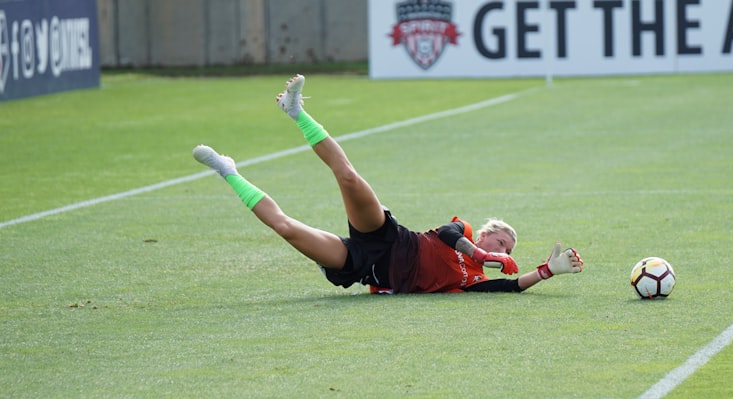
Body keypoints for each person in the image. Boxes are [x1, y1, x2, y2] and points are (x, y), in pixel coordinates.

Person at [193, 75, 583, 294]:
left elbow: (510, 288)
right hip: (389, 238)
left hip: (363, 266)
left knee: (286, 228)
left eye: (509, 249)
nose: (506, 250)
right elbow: (447, 234)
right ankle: (296, 112)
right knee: (348, 176)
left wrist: (550, 269)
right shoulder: (462, 234)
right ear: (487, 234)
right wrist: (482, 255)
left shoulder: (474, 281)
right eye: (503, 243)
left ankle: (228, 171)